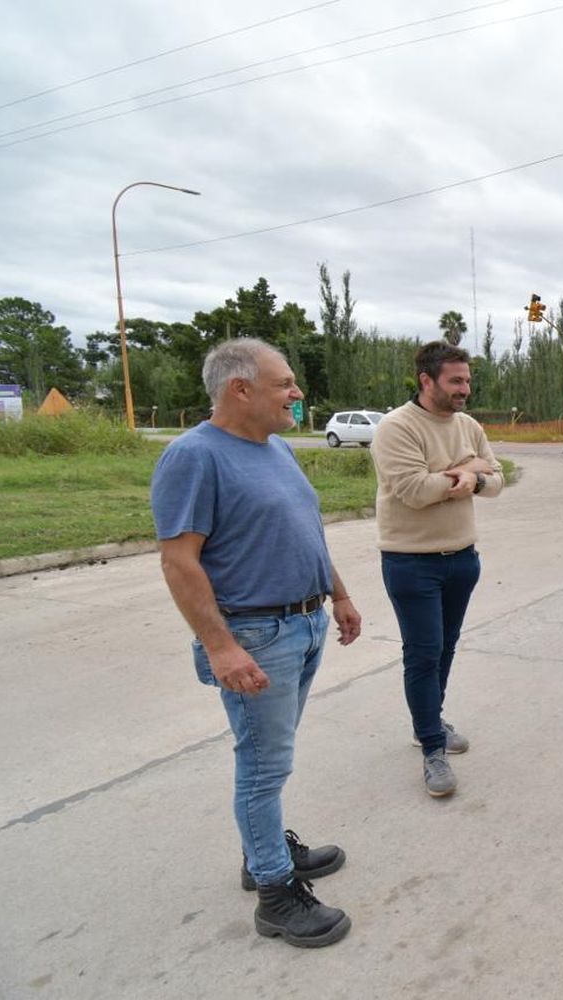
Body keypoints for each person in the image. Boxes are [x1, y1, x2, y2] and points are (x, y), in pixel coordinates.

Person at [151, 337, 362, 948]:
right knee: (264, 765)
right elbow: (179, 562)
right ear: (239, 389)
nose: (297, 393)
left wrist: (339, 595)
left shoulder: (274, 449)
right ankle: (274, 894)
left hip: (304, 621)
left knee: (272, 759)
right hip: (253, 632)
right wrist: (219, 647)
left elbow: (308, 529)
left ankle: (262, 852)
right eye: (285, 384)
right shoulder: (194, 456)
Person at [371, 341, 502, 798]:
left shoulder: (468, 424)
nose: (465, 388)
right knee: (423, 653)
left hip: (462, 558)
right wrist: (465, 471)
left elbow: (496, 480)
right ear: (426, 381)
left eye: (467, 380)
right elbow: (413, 490)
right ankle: (431, 748)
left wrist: (475, 476)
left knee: (445, 647)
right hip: (411, 561)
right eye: (456, 381)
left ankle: (431, 720)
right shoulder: (397, 427)